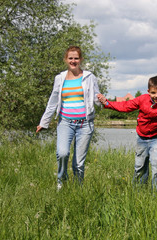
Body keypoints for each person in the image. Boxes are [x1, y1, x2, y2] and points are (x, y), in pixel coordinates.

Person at [98, 76, 157, 189]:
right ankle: (138, 191)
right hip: (142, 137)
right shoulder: (142, 99)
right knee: (140, 166)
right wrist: (107, 103)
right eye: (153, 92)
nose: (156, 96)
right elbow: (125, 106)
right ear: (148, 91)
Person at [36, 46, 101, 190]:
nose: (73, 61)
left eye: (76, 58)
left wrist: (103, 101)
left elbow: (96, 97)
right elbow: (53, 101)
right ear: (66, 59)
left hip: (85, 124)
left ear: (81, 59)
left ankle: (78, 189)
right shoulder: (59, 78)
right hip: (65, 122)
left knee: (78, 162)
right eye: (70, 58)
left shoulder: (89, 77)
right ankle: (61, 181)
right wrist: (44, 122)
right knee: (62, 153)